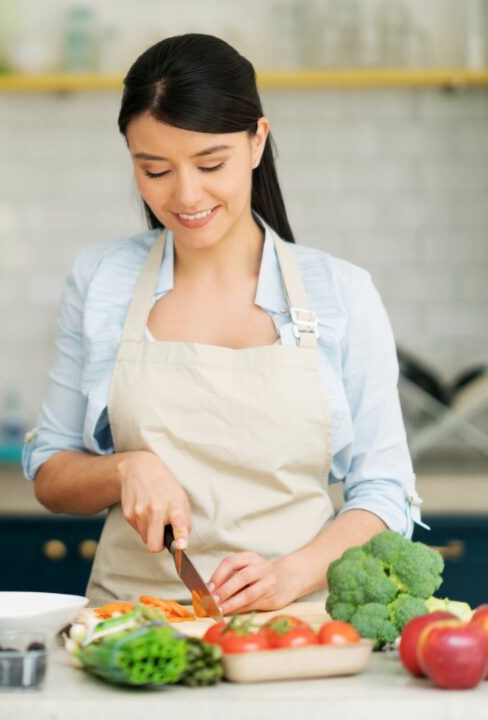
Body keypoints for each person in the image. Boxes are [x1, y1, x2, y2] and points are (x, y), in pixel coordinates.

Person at [23, 34, 424, 614]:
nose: (186, 196)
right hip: (134, 628)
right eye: (154, 169)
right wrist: (124, 469)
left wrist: (290, 576)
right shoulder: (102, 279)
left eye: (211, 164)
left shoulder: (341, 293)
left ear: (257, 141)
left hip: (294, 628)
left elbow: (386, 493)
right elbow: (52, 472)